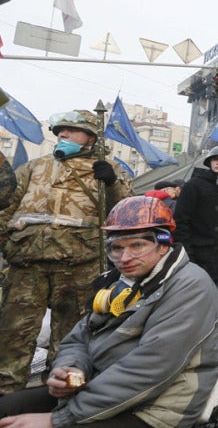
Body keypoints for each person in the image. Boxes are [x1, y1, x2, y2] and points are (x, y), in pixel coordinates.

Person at [0, 196, 218, 427]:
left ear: (164, 244)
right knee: (6, 409)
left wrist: (58, 419)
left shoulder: (190, 286)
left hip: (157, 407)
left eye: (137, 245)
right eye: (116, 248)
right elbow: (80, 337)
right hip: (99, 389)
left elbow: (149, 370)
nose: (125, 258)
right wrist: (69, 370)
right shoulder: (120, 281)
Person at [0, 110, 132, 395]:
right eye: (61, 130)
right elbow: (5, 208)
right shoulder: (34, 167)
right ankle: (6, 399)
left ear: (91, 137)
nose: (64, 134)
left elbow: (124, 213)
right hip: (27, 264)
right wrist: (6, 247)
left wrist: (111, 183)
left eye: (72, 130)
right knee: (13, 337)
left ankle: (56, 399)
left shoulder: (105, 169)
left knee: (70, 338)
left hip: (79, 266)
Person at [172, 145, 218, 302]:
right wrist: (188, 256)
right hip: (199, 259)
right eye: (215, 159)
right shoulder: (193, 185)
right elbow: (181, 223)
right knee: (197, 307)